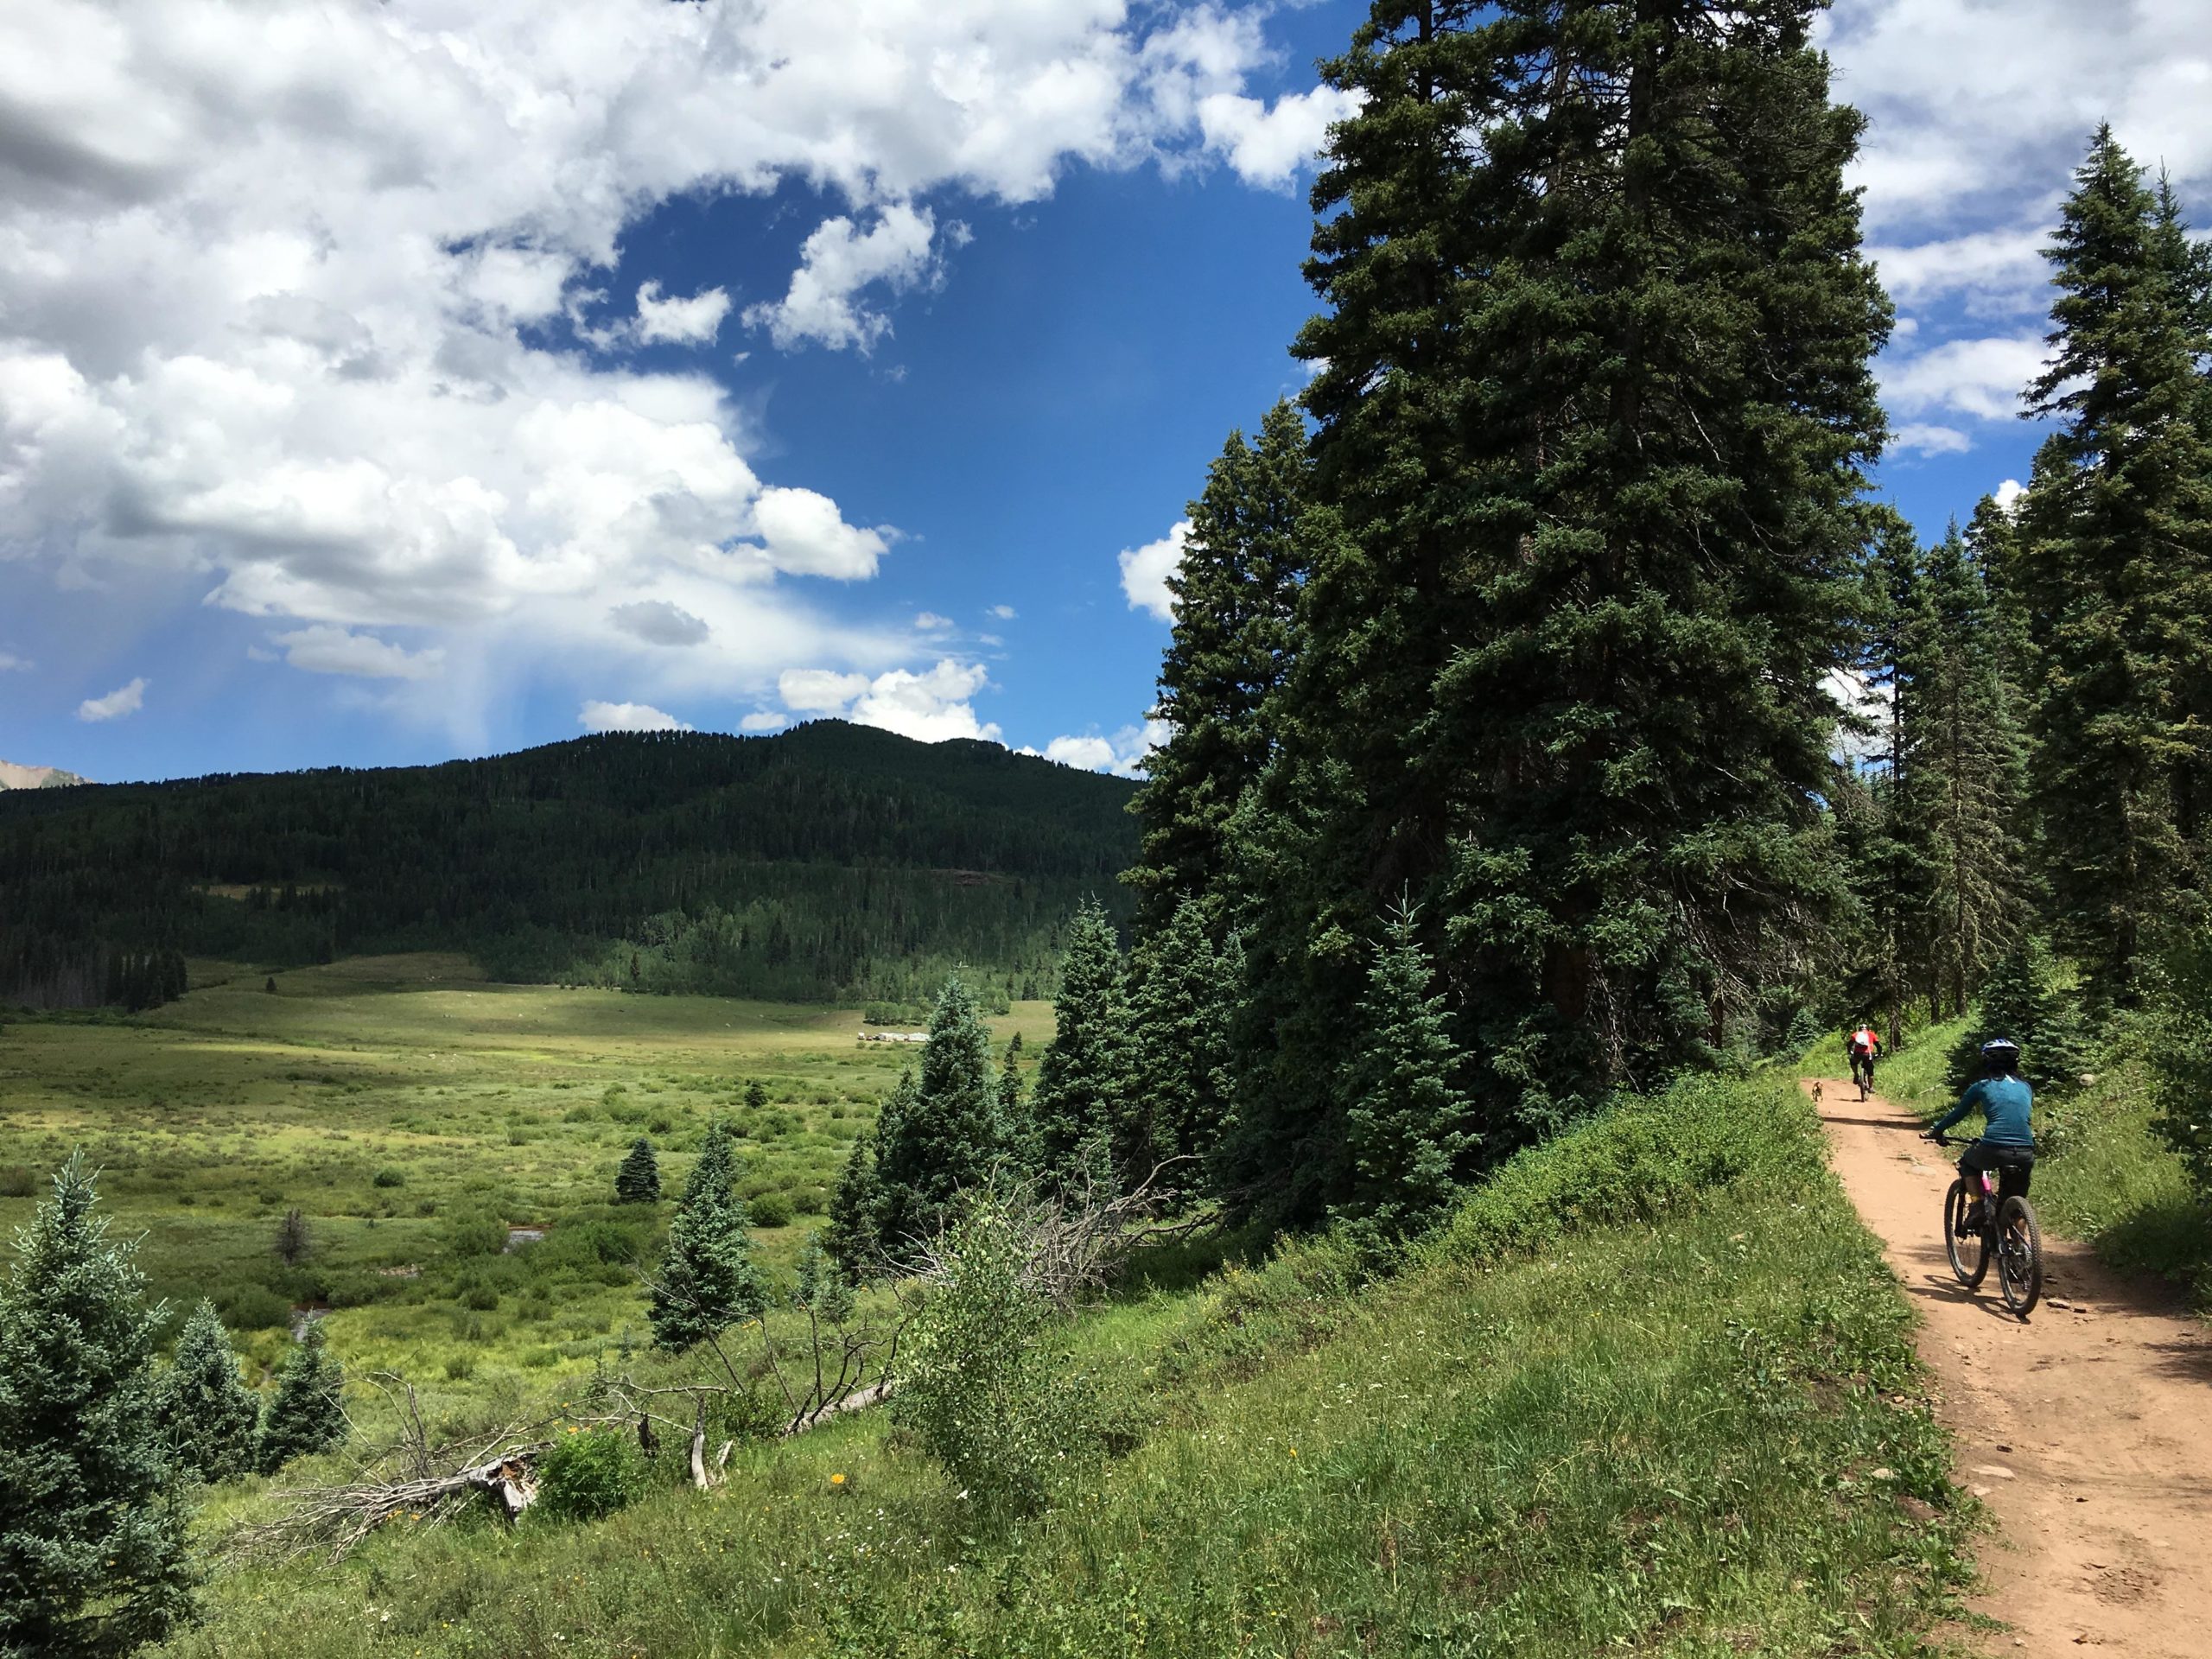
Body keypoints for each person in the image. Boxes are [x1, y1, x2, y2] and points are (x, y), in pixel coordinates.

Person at [1925, 1038, 2034, 1226]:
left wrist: (1937, 1130)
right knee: (2015, 1208)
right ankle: (2021, 1251)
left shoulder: (1982, 1086)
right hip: (2026, 1151)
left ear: (1986, 1062)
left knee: (1967, 1163)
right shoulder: (2026, 1087)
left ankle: (1976, 1206)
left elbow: (1957, 1114)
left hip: (1994, 1147)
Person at [1847, 1020, 1882, 1087]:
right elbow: (1878, 1045)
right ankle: (1871, 1087)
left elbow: (1849, 1044)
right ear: (1868, 1029)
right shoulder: (1872, 1034)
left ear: (1859, 1029)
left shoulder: (1855, 1034)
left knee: (1853, 1062)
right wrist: (1879, 1053)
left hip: (1857, 1054)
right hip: (1868, 1054)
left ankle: (1856, 1074)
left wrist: (1850, 1051)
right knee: (1870, 1072)